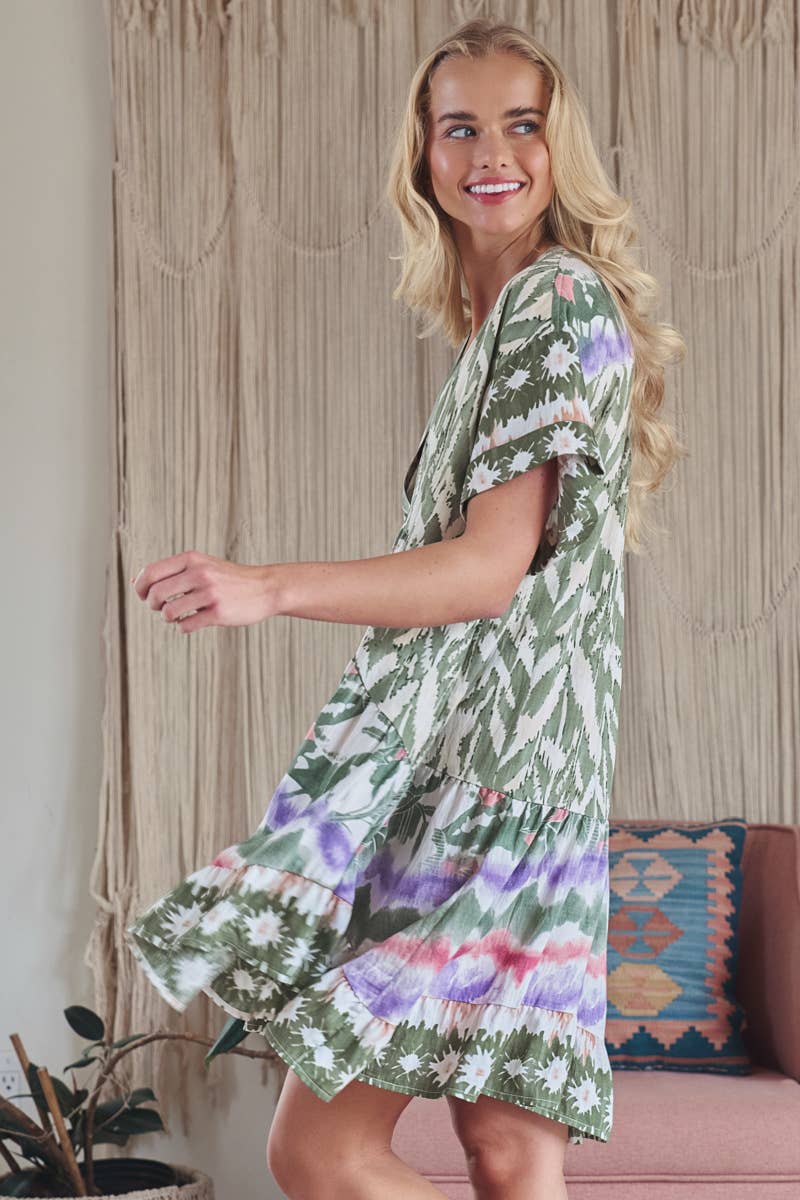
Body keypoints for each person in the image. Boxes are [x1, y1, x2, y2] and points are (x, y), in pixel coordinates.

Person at [125, 18, 685, 1200]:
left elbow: (485, 571)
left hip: (495, 787)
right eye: (459, 127)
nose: (492, 153)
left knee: (319, 1151)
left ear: (561, 146)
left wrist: (267, 585)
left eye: (522, 124)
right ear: (422, 156)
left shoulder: (551, 299)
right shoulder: (503, 322)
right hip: (532, 774)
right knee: (508, 1153)